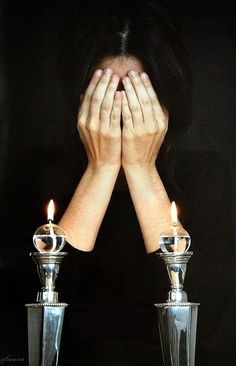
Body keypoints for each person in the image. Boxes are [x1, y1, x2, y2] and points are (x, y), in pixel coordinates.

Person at [54, 1, 234, 365]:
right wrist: (100, 169)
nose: (120, 115)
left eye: (138, 98)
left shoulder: (208, 178)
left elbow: (199, 326)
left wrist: (141, 169)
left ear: (166, 101)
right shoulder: (40, 175)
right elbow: (45, 326)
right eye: (105, 95)